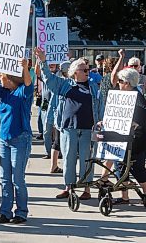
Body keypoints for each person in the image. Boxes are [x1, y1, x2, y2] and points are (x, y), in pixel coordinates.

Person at [36, 48, 100, 200]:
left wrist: (100, 122)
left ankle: (86, 189)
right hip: (68, 128)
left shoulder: (93, 87)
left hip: (88, 129)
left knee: (87, 160)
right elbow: (48, 79)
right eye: (84, 69)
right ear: (75, 72)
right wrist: (43, 61)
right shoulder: (65, 85)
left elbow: (100, 106)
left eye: (88, 69)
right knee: (68, 159)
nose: (87, 71)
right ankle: (68, 187)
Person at [0, 54, 34, 224]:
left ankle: (21, 212)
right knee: (4, 178)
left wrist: (25, 67)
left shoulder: (23, 92)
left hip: (20, 138)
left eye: (2, 76)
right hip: (4, 139)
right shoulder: (4, 92)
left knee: (18, 179)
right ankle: (5, 212)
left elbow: (29, 84)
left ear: (10, 79)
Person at [111, 68, 146, 204]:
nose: (118, 83)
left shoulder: (136, 95)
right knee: (119, 166)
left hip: (138, 139)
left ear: (127, 83)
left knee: (137, 167)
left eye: (120, 81)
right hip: (123, 138)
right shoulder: (121, 95)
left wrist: (136, 122)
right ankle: (125, 197)